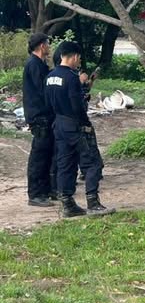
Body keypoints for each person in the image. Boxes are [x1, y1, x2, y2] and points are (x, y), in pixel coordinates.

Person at [45, 41, 114, 217]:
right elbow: (77, 106)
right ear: (74, 56)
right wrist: (86, 124)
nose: (79, 62)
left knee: (65, 164)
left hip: (59, 125)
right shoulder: (71, 77)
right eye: (79, 58)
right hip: (75, 126)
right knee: (92, 162)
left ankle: (68, 204)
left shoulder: (49, 77)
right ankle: (93, 202)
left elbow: (47, 104)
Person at [23, 33, 56, 207]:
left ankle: (45, 190)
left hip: (45, 115)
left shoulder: (40, 64)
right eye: (48, 44)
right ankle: (35, 194)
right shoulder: (34, 65)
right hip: (39, 116)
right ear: (42, 46)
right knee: (39, 156)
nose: (49, 47)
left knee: (48, 154)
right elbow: (43, 89)